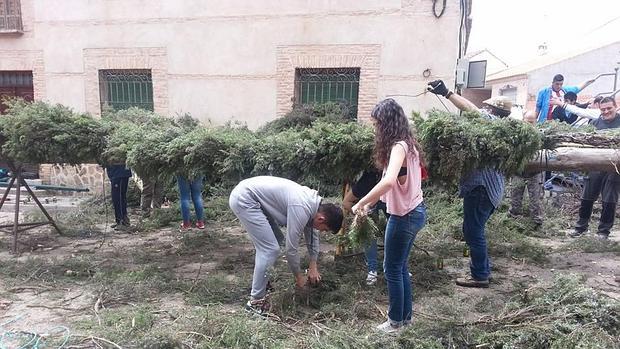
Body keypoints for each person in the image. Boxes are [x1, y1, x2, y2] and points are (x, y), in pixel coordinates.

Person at [352, 98, 426, 333]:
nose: (376, 129)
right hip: (414, 211)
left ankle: (395, 322)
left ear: (387, 124)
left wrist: (361, 201)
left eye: (377, 124)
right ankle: (405, 319)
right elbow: (394, 186)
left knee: (392, 268)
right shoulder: (409, 144)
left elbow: (389, 180)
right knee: (400, 266)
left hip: (404, 216)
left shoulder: (398, 147)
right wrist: (371, 205)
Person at [427, 80, 507, 289]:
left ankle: (479, 275)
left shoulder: (492, 123)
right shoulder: (499, 131)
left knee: (473, 231)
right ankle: (483, 271)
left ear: (494, 111)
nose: (484, 108)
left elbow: (471, 110)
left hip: (482, 189)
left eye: (488, 107)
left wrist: (447, 93)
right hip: (491, 190)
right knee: (474, 229)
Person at [229, 176, 343, 316]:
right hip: (245, 199)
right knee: (270, 249)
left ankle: (263, 284)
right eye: (324, 229)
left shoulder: (314, 206)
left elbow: (312, 236)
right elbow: (291, 249)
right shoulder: (302, 207)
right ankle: (255, 302)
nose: (321, 231)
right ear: (321, 219)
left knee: (277, 242)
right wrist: (299, 278)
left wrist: (313, 265)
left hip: (255, 200)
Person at [551, 97, 620, 239]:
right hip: (594, 165)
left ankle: (603, 231)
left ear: (615, 107)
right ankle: (581, 228)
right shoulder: (594, 123)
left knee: (609, 199)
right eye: (603, 109)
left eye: (609, 108)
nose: (606, 112)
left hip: (615, 168)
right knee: (587, 197)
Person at [343, 170, 386, 286]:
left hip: (389, 201)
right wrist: (359, 214)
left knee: (394, 231)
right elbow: (346, 202)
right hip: (368, 207)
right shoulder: (366, 182)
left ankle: (399, 267)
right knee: (368, 235)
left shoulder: (390, 176)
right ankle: (372, 270)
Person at [509, 111, 543, 225]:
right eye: (527, 122)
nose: (529, 124)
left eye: (532, 122)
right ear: (523, 120)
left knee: (535, 200)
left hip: (535, 173)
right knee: (515, 198)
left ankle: (536, 222)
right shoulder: (516, 135)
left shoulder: (540, 135)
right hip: (518, 172)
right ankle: (515, 221)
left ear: (535, 122)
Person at [535, 74, 599, 124]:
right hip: (545, 120)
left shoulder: (565, 90)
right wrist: (534, 119)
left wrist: (587, 82)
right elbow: (538, 107)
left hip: (559, 122)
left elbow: (577, 88)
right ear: (553, 83)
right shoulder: (544, 91)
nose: (559, 86)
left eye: (561, 84)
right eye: (557, 84)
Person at [106, 165, 132, 230]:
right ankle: (122, 220)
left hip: (119, 173)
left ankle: (121, 221)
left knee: (118, 198)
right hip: (117, 173)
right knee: (120, 197)